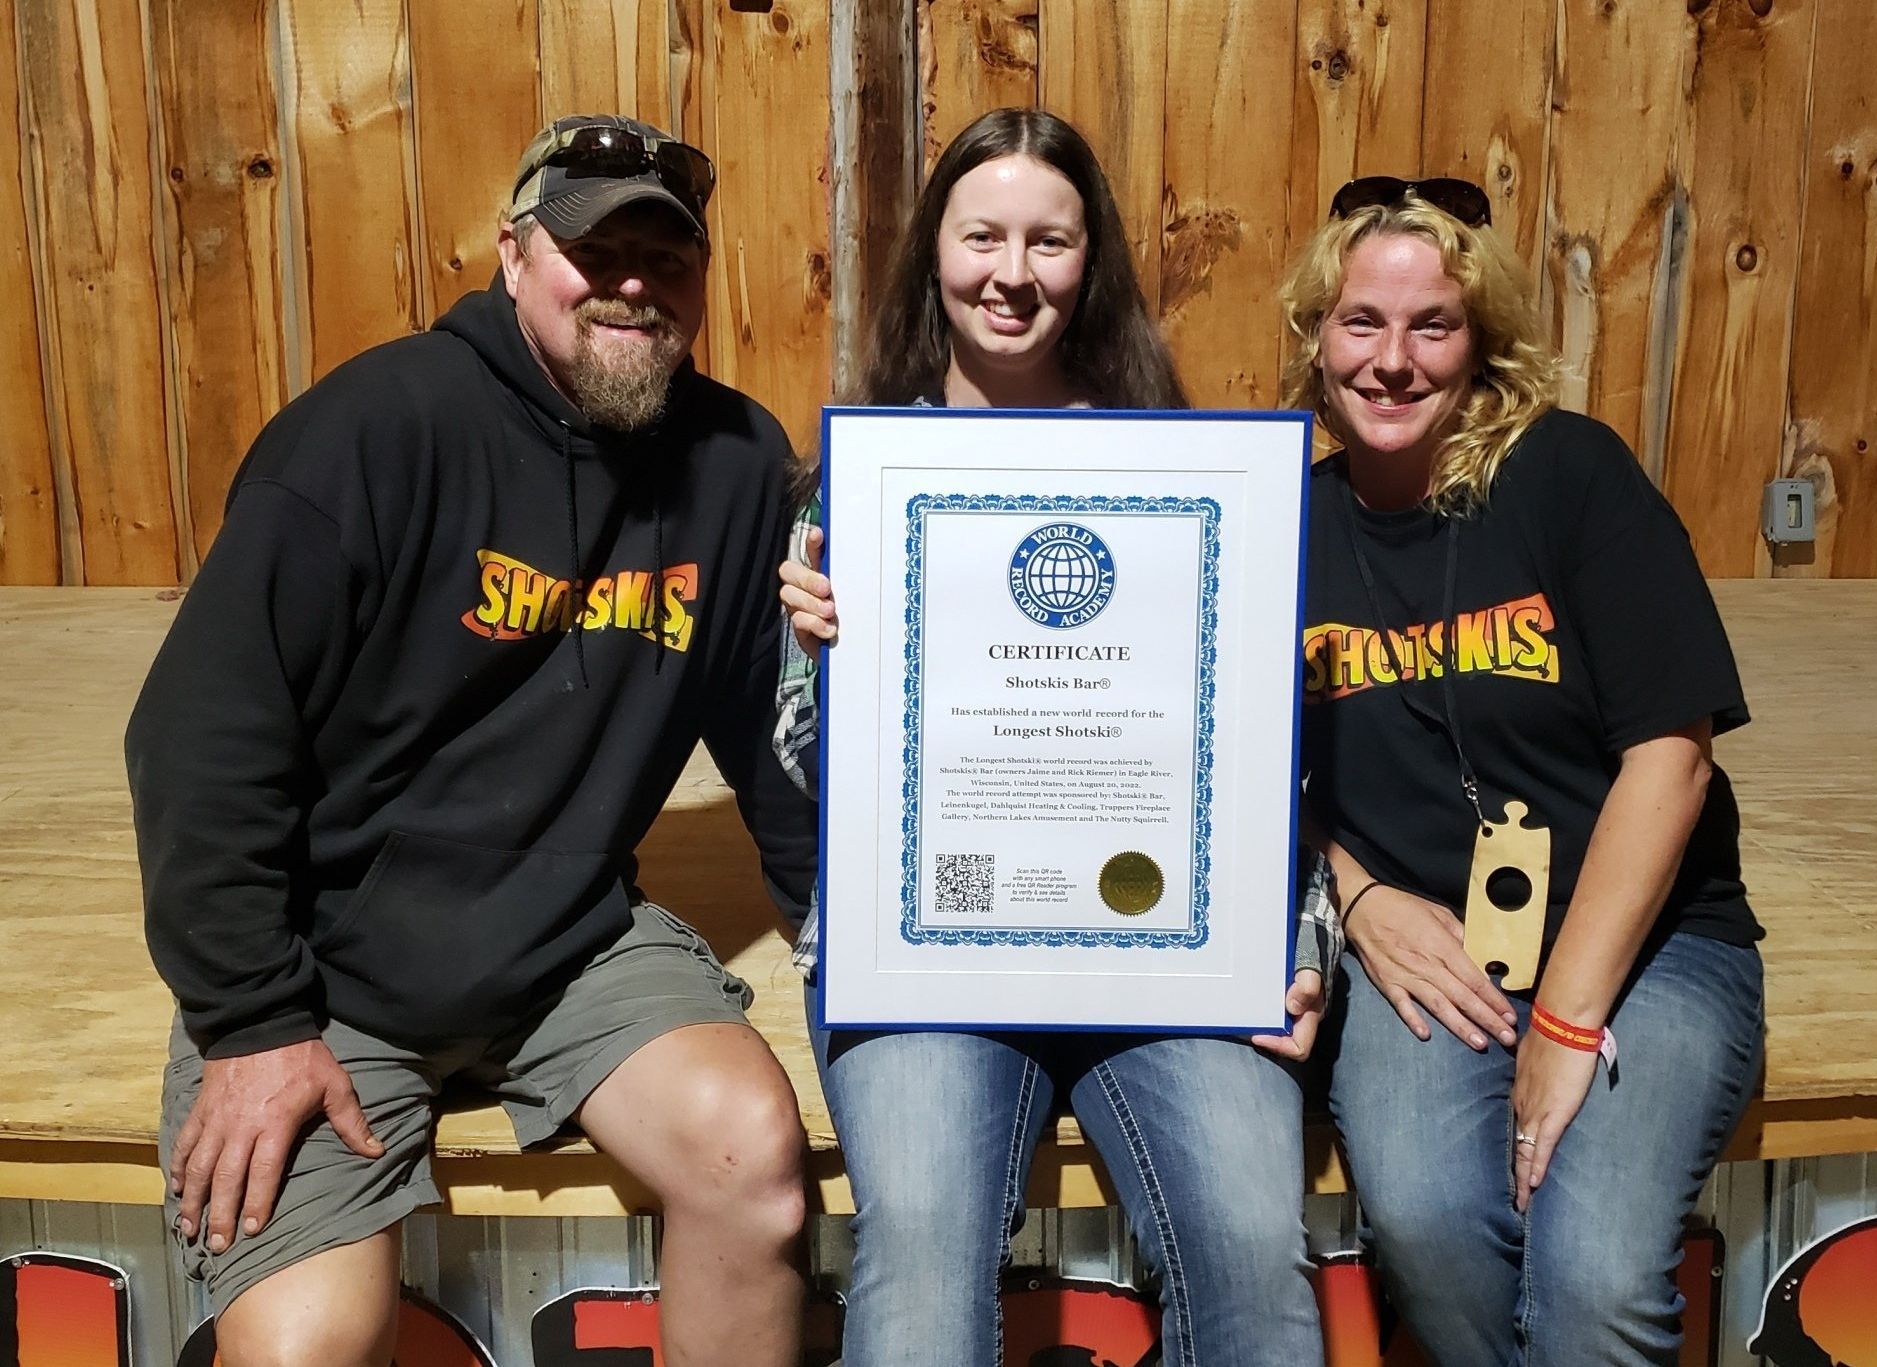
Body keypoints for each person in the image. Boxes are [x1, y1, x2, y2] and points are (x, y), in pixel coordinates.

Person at [126, 115, 815, 1367]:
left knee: (753, 1162)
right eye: (593, 250)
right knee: (303, 1347)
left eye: (665, 259)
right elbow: (196, 737)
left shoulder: (731, 460)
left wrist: (855, 935)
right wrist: (250, 1022)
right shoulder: (372, 431)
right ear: (512, 253)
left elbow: (771, 741)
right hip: (327, 971)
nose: (631, 284)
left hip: (568, 945)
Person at [774, 107, 1334, 1367]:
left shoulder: (1194, 475)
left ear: (1093, 263)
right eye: (981, 236)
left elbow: (1269, 757)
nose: (1010, 274)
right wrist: (823, 666)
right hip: (929, 951)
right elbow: (808, 766)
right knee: (915, 1248)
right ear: (934, 252)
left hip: (1166, 956)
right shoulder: (854, 485)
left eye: (1048, 241)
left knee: (1253, 1238)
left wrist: (1286, 941)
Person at [1285, 176, 1765, 1366]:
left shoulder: (1567, 474)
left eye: (1430, 326)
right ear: (1315, 337)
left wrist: (1561, 1019)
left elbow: (1671, 757)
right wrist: (1356, 892)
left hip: (1646, 940)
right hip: (1428, 949)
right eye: (1360, 323)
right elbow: (1236, 763)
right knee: (1429, 1221)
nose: (1392, 361)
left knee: (1594, 1279)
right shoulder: (1281, 522)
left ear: (1480, 342)